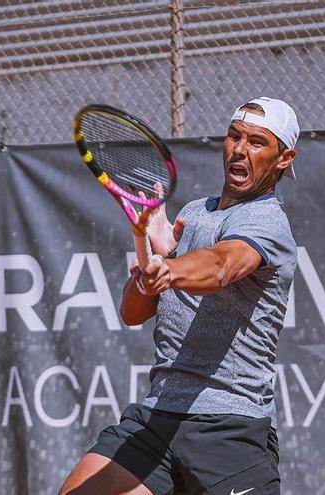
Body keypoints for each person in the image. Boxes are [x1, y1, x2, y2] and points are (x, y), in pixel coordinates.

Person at [59, 97, 299, 495]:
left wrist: (171, 268)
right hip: (159, 416)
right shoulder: (194, 213)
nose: (239, 150)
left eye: (257, 142)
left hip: (229, 426)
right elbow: (133, 313)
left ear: (283, 158)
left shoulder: (266, 221)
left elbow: (222, 265)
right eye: (234, 136)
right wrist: (153, 267)